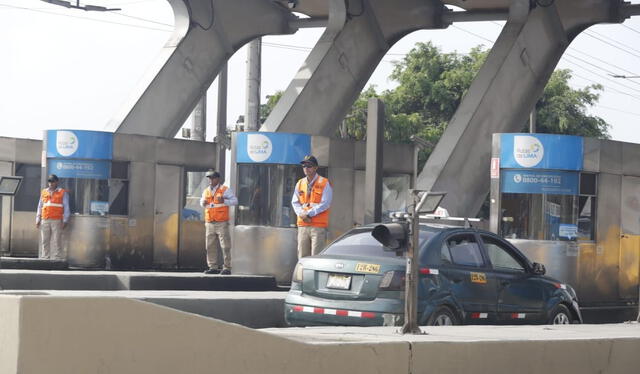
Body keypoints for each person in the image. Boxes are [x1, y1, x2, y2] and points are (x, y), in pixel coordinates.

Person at [291, 155, 333, 258]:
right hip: (303, 225)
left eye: (309, 166)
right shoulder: (300, 183)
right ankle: (302, 274)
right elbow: (295, 202)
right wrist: (301, 214)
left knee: (316, 257)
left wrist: (308, 213)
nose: (306, 168)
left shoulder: (324, 183)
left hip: (317, 226)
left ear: (315, 168)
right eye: (304, 166)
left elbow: (325, 203)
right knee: (302, 256)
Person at [199, 170, 238, 275]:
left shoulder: (224, 190)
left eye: (212, 178)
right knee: (209, 246)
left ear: (218, 179)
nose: (210, 180)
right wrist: (202, 203)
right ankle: (213, 267)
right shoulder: (206, 190)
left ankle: (227, 267)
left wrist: (224, 201)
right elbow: (201, 202)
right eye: (209, 178)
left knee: (225, 246)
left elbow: (235, 201)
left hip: (221, 222)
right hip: (210, 222)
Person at [36, 174, 70, 260]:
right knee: (45, 240)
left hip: (57, 220)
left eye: (53, 181)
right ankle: (45, 257)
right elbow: (40, 206)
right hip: (45, 219)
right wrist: (38, 218)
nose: (51, 183)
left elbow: (66, 207)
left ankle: (57, 258)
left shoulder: (62, 192)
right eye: (49, 181)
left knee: (57, 240)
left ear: (57, 182)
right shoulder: (44, 192)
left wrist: (65, 220)